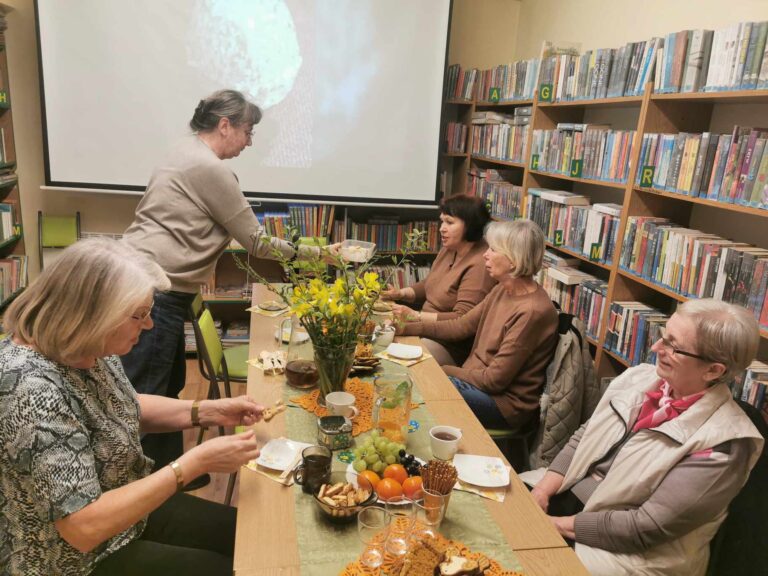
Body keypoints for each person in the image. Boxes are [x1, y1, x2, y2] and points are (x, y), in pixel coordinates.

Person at [0, 238, 264, 575]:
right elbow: (83, 528)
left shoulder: (85, 348)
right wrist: (192, 464)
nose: (149, 325)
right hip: (73, 558)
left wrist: (208, 411)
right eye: (139, 315)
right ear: (93, 316)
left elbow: (123, 404)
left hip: (124, 514)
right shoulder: (30, 389)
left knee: (250, 537)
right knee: (237, 569)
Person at [121, 89, 336, 470]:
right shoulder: (210, 169)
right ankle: (143, 484)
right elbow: (256, 242)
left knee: (166, 388)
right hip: (155, 291)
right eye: (248, 131)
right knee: (147, 393)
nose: (249, 142)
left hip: (142, 280)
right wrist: (319, 254)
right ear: (225, 125)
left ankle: (170, 475)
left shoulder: (181, 150)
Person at [528, 299, 764, 576]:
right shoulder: (637, 378)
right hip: (572, 502)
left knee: (528, 563)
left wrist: (552, 526)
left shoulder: (725, 443)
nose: (655, 348)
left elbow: (645, 527)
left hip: (630, 553)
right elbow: (584, 437)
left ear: (713, 370)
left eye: (673, 346)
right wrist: (542, 491)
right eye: (663, 336)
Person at [397, 220, 558, 431]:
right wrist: (408, 327)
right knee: (414, 373)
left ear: (513, 260)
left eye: (493, 249)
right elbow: (461, 325)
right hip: (476, 383)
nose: (485, 255)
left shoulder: (532, 312)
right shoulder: (503, 289)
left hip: (502, 404)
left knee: (426, 381)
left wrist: (444, 370)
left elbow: (494, 381)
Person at [382, 194, 495, 366]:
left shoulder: (481, 264)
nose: (442, 228)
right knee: (378, 341)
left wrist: (416, 316)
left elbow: (461, 319)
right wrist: (400, 293)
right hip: (423, 328)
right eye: (442, 221)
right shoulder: (450, 248)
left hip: (450, 345)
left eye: (449, 222)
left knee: (393, 361)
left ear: (470, 225)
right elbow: (430, 284)